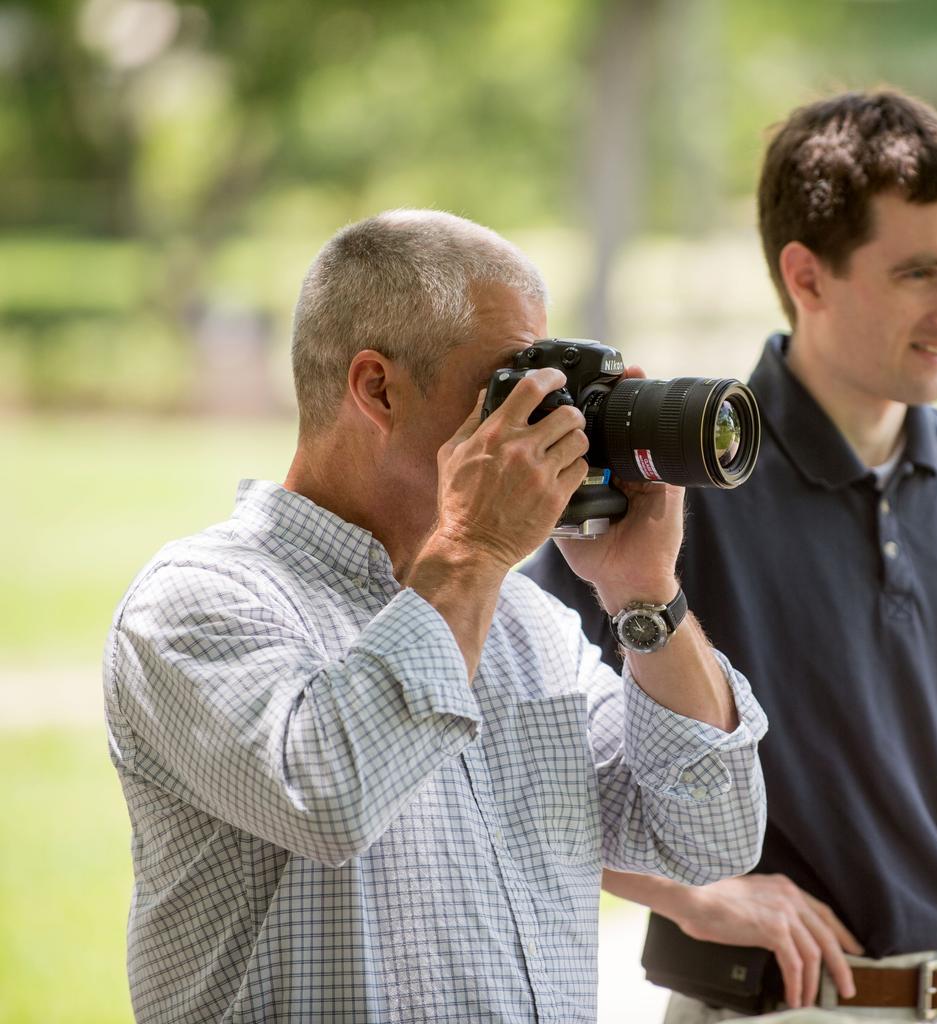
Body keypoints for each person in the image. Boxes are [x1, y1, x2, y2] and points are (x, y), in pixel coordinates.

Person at [524, 90, 937, 1022]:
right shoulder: (667, 484)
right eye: (921, 273)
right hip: (779, 1006)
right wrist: (688, 891)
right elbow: (507, 737)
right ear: (808, 275)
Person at [103, 209, 769, 1024]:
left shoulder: (526, 622)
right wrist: (476, 548)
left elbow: (712, 837)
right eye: (514, 385)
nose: (554, 422)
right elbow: (333, 794)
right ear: (377, 388)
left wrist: (646, 599)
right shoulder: (199, 601)